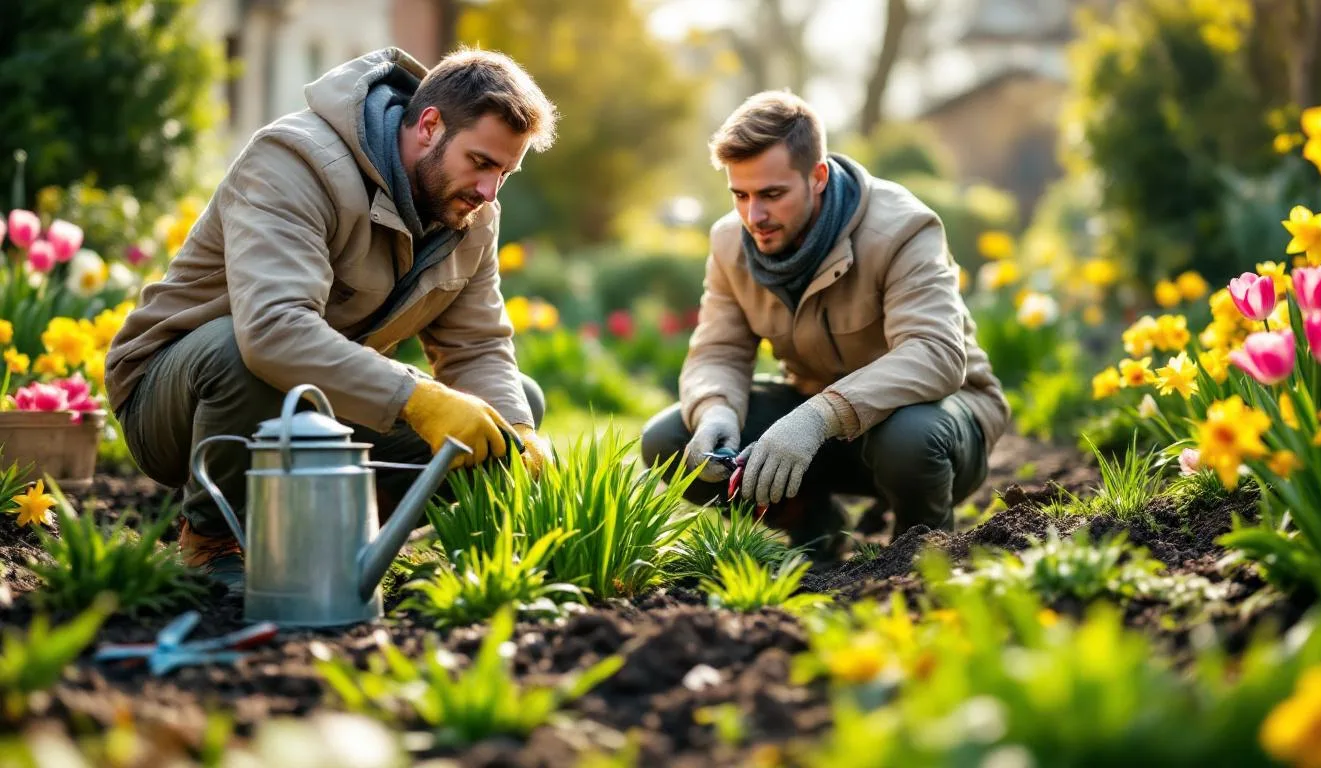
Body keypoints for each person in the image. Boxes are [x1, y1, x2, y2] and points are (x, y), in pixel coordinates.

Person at [105, 47, 558, 591]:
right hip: (179, 400)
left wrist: (522, 434)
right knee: (243, 352)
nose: (488, 190)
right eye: (481, 162)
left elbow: (477, 347)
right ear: (430, 126)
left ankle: (348, 529)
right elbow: (274, 333)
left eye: (504, 173)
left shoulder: (470, 211)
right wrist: (418, 397)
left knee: (509, 411)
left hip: (321, 400)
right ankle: (212, 538)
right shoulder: (295, 159)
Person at [641, 91, 1010, 559]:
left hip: (934, 425)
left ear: (817, 177)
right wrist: (715, 411)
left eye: (773, 194)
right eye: (741, 195)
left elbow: (936, 354)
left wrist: (818, 417)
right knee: (668, 440)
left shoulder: (903, 228)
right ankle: (813, 527)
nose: (754, 216)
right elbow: (719, 352)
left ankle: (919, 551)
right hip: (813, 426)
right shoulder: (729, 242)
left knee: (909, 438)